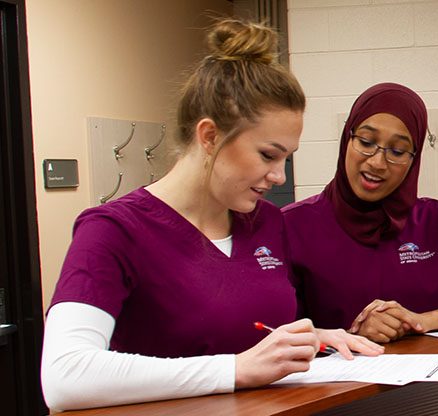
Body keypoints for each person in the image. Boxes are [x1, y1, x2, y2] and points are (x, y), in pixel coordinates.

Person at [40, 19, 382, 411]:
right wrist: (234, 370)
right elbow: (65, 375)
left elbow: (234, 328)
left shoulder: (267, 223)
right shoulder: (113, 231)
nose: (278, 175)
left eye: (287, 157)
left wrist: (312, 338)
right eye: (268, 155)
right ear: (209, 136)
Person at [282, 83, 438, 343]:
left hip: (430, 381)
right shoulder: (292, 226)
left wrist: (422, 320)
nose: (377, 163)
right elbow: (275, 336)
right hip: (337, 382)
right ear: (348, 138)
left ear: (414, 160)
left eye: (398, 151)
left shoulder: (435, 222)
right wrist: (350, 336)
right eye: (367, 142)